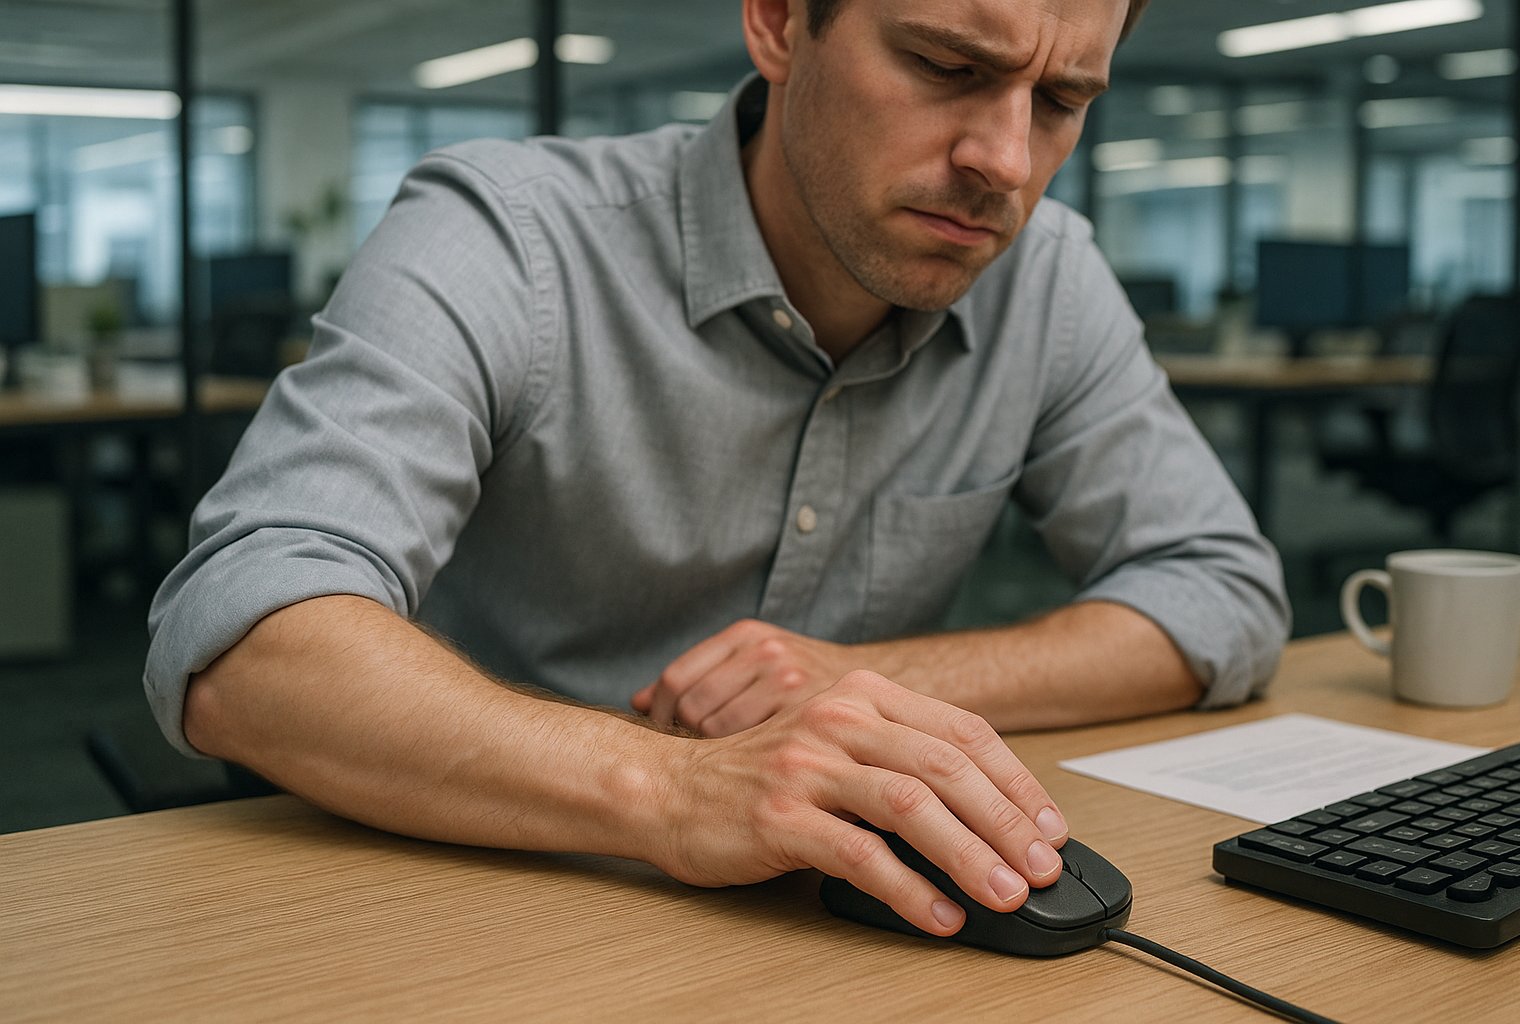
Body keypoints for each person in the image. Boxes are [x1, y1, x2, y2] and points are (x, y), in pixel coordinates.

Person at [146, 0, 1288, 941]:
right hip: (456, 907)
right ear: (781, 22)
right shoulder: (506, 236)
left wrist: (857, 682)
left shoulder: (1046, 280)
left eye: (1059, 101)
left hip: (808, 940)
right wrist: (677, 789)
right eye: (946, 64)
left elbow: (1221, 591)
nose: (1003, 159)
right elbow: (244, 642)